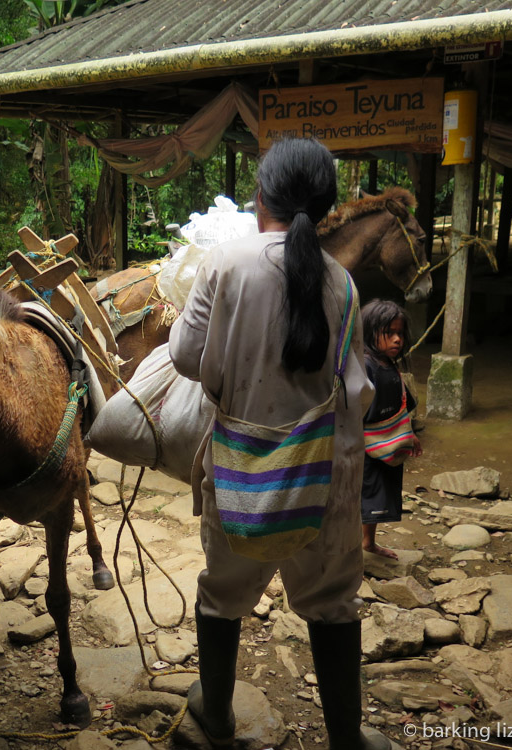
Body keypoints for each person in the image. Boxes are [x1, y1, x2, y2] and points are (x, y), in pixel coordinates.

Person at [169, 138, 398, 750]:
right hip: (322, 477)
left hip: (241, 472)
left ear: (260, 195)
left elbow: (186, 357)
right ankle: (345, 738)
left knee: (222, 594)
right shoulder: (343, 284)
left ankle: (215, 716)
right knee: (331, 602)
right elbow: (353, 385)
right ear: (325, 207)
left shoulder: (223, 264)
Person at [360, 300, 422, 561]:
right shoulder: (366, 365)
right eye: (389, 333)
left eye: (400, 333)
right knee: (364, 495)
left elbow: (401, 406)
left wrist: (410, 435)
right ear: (371, 332)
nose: (397, 340)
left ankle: (367, 543)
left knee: (379, 494)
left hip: (387, 443)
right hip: (364, 445)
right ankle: (350, 548)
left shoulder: (390, 365)